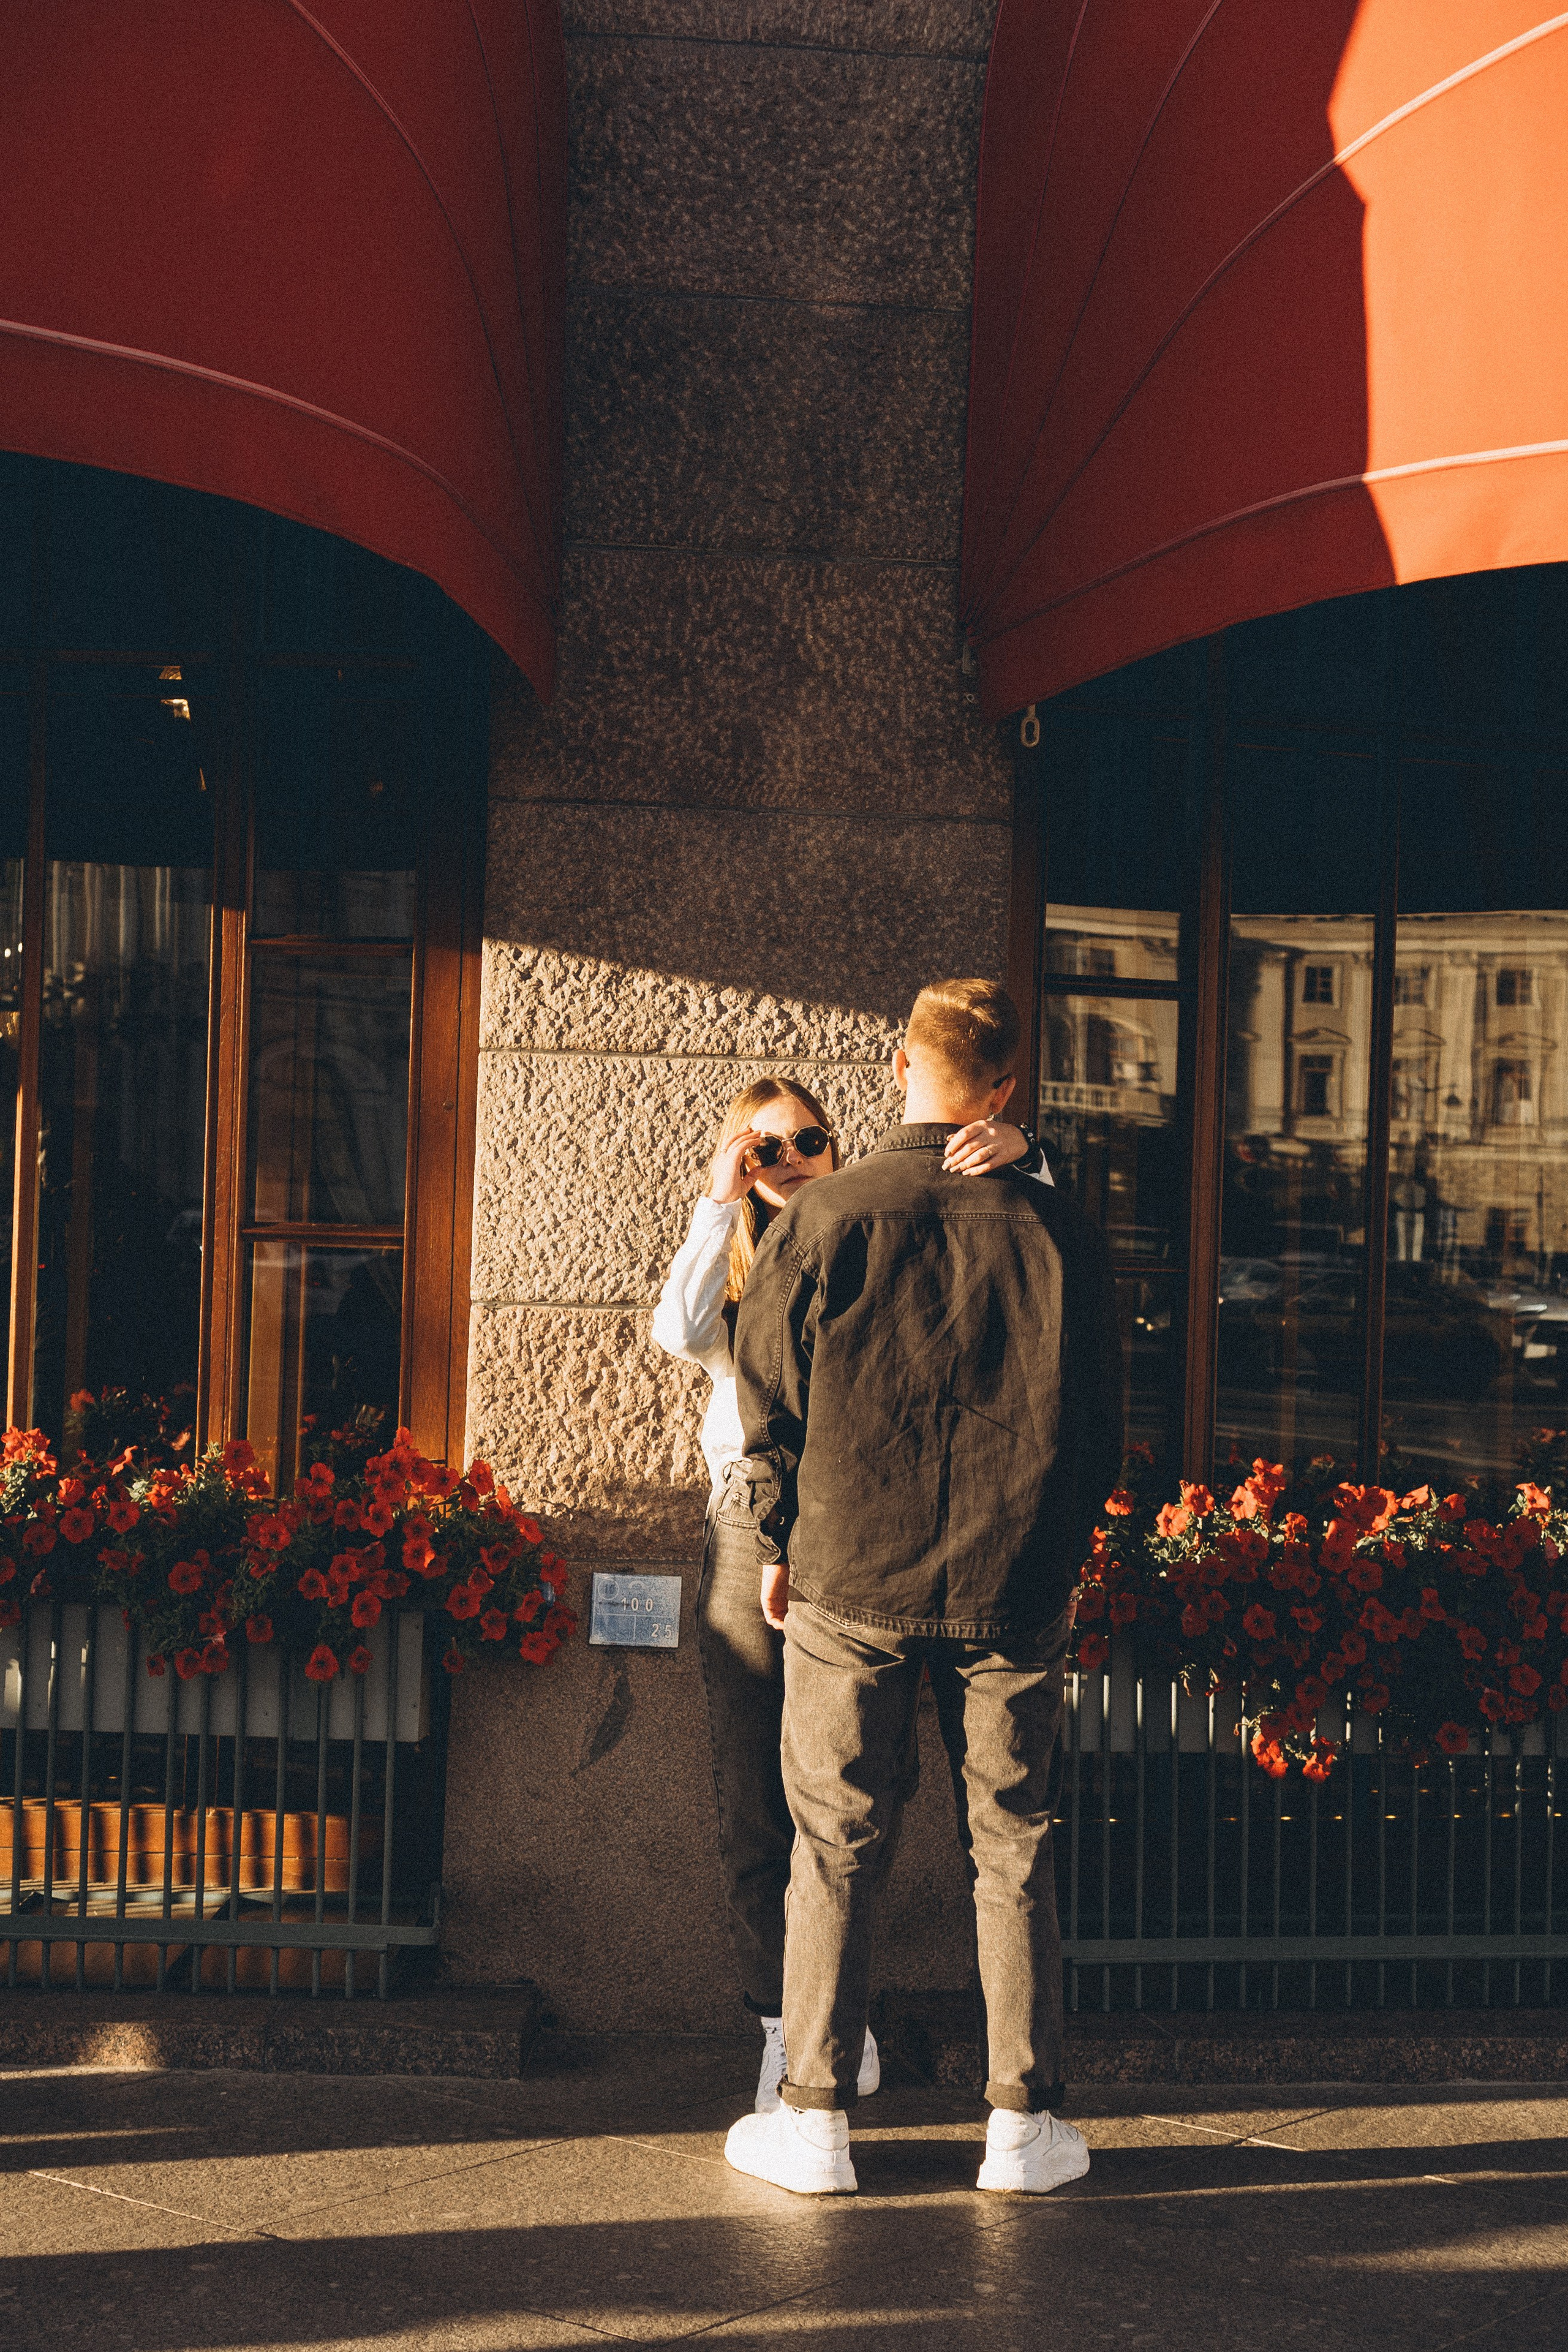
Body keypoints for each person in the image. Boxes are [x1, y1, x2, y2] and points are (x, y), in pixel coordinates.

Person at [722, 980, 1122, 2196]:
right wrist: (1051, 1557)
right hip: (1009, 1585)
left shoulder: (829, 1211)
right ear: (1005, 1087)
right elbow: (1098, 1423)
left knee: (833, 1845)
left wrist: (780, 1538)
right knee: (1012, 1847)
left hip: (850, 1578)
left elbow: (766, 1399)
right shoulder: (1055, 1226)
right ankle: (1019, 2127)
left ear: (900, 1062)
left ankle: (816, 2120)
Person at [653, 1075, 1048, 2114]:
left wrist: (1029, 1156)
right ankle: (788, 2030)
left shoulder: (871, 1235)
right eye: (764, 1148)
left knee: (862, 1789)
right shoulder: (736, 1277)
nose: (789, 1162)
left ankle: (839, 2022)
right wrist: (716, 1198)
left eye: (809, 1141)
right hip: (750, 1528)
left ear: (841, 1147)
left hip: (864, 1528)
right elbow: (675, 1327)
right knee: (754, 1792)